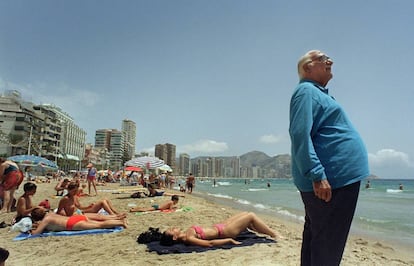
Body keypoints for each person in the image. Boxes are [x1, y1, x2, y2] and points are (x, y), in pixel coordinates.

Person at [289, 50, 369, 266]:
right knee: (327, 247)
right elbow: (299, 134)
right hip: (333, 181)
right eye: (324, 59)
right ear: (307, 67)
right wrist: (317, 174)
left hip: (334, 180)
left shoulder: (316, 93)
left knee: (318, 242)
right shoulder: (306, 91)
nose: (330, 61)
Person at [140, 211, 278, 247]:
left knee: (245, 213)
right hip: (225, 232)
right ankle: (274, 234)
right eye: (171, 230)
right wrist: (229, 240)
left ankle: (264, 231)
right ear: (175, 237)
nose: (173, 227)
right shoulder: (189, 238)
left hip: (220, 225)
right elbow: (210, 243)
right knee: (251, 216)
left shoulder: (186, 234)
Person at [29, 207, 127, 235]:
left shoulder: (46, 220)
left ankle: (121, 223)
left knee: (99, 225)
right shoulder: (50, 214)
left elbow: (36, 233)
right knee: (98, 222)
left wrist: (30, 230)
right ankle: (120, 221)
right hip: (75, 218)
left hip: (71, 224)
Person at [57, 182, 122, 216]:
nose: (75, 193)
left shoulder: (74, 196)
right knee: (103, 202)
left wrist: (88, 206)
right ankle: (113, 215)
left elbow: (80, 207)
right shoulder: (65, 199)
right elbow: (58, 212)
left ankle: (115, 213)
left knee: (106, 200)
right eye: (74, 191)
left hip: (81, 212)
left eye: (76, 191)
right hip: (80, 213)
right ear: (68, 190)